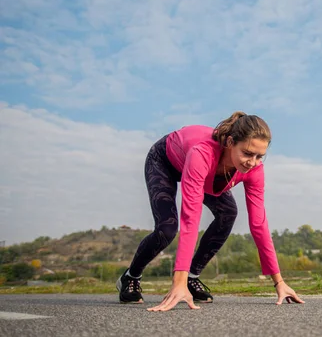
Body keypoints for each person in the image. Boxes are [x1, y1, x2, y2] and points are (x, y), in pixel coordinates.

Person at [116, 111, 304, 311]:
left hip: (210, 173)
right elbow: (191, 217)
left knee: (228, 213)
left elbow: (258, 223)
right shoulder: (202, 153)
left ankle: (192, 277)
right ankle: (131, 277)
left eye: (260, 156)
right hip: (165, 161)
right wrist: (176, 282)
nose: (252, 162)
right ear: (231, 142)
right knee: (167, 228)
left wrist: (279, 282)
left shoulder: (254, 169)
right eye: (247, 153)